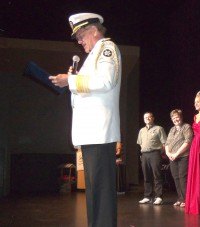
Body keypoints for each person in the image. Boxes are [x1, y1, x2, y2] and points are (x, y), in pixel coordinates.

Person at [49, 12, 121, 227]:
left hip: (100, 133)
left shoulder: (107, 49)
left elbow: (106, 81)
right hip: (92, 134)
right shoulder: (93, 56)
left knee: (102, 194)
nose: (79, 41)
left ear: (93, 30)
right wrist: (73, 80)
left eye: (80, 36)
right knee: (95, 193)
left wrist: (71, 80)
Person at [137, 112, 167, 205]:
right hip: (145, 154)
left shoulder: (159, 128)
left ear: (153, 118)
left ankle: (158, 196)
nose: (147, 118)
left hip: (155, 153)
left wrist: (160, 153)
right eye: (145, 117)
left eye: (149, 117)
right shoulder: (141, 130)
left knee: (157, 175)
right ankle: (147, 196)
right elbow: (140, 143)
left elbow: (164, 143)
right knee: (146, 176)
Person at [165, 109, 193, 208]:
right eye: (173, 118)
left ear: (181, 117)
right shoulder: (172, 129)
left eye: (177, 117)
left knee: (182, 178)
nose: (175, 119)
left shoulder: (186, 127)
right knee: (176, 178)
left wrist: (176, 154)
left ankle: (186, 199)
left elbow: (188, 142)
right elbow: (167, 143)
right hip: (172, 157)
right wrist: (168, 153)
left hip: (183, 157)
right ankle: (180, 198)